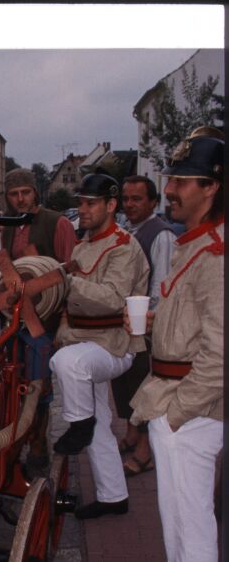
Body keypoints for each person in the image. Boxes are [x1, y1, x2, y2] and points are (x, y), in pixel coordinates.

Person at [129, 135, 223, 562]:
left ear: (212, 188)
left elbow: (219, 352)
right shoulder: (194, 243)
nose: (171, 189)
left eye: (182, 181)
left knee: (192, 514)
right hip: (173, 394)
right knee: (175, 508)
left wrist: (180, 411)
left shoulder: (217, 253)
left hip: (192, 405)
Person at [49, 173, 150, 518]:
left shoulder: (124, 246)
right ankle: (113, 496)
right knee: (99, 419)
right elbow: (70, 303)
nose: (83, 209)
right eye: (80, 202)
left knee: (69, 365)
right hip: (85, 340)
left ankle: (78, 425)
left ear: (110, 205)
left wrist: (66, 281)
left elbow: (111, 298)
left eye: (90, 203)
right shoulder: (82, 244)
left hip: (116, 344)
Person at [0, 168, 77, 473]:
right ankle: (17, 437)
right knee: (13, 381)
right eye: (14, 194)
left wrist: (65, 322)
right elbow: (1, 271)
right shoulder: (4, 226)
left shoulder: (57, 223)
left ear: (35, 192)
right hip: (14, 321)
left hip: (43, 321)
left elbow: (70, 275)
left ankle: (37, 443)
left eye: (25, 192)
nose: (20, 199)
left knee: (38, 384)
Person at [112, 175, 176, 476]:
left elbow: (161, 287)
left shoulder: (159, 234)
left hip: (146, 326)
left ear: (153, 202)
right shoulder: (127, 230)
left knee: (145, 386)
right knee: (126, 382)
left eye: (137, 199)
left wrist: (148, 322)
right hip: (127, 323)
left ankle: (145, 452)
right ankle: (132, 433)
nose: (130, 204)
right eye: (126, 199)